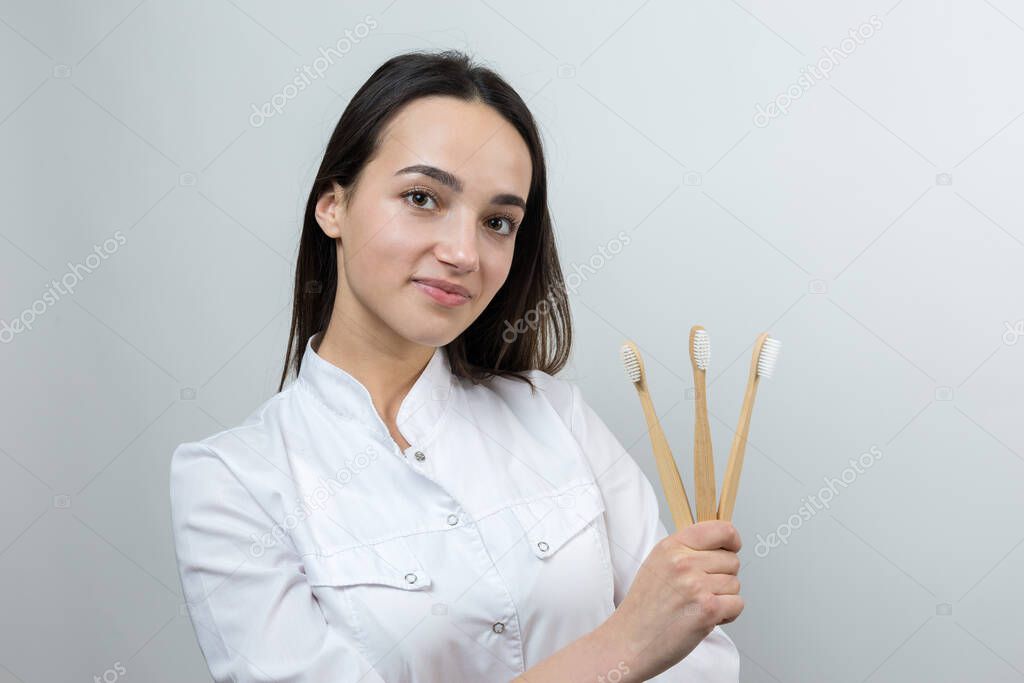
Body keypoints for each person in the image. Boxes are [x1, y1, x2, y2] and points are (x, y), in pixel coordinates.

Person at [170, 49, 743, 682]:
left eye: (499, 221)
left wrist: (661, 633)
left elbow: (701, 658)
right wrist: (627, 644)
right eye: (421, 197)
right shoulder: (233, 484)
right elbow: (656, 637)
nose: (464, 252)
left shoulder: (556, 417)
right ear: (333, 205)